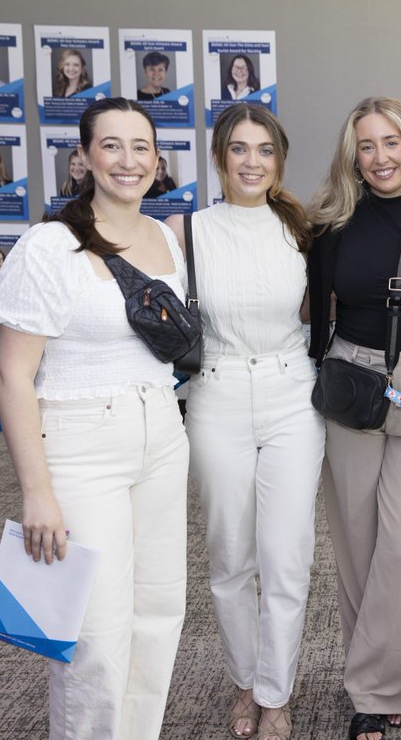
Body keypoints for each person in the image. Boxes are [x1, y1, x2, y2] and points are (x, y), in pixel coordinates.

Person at [0, 97, 190, 740]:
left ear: (158, 161)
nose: (128, 161)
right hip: (80, 445)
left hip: (162, 433)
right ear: (84, 157)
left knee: (157, 615)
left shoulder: (167, 238)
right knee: (95, 635)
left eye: (141, 147)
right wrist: (36, 491)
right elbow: (12, 374)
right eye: (112, 146)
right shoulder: (48, 245)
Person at [164, 104, 323, 740]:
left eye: (264, 150)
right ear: (219, 157)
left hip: (292, 395)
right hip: (216, 394)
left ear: (279, 160)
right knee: (229, 555)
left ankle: (276, 693)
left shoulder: (303, 229)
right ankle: (243, 683)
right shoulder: (186, 230)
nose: (251, 162)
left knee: (286, 555)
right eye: (238, 149)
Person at [307, 96, 401, 740]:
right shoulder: (331, 222)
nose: (380, 158)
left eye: (391, 143)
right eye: (366, 146)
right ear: (353, 155)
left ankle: (382, 687)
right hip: (352, 379)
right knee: (356, 539)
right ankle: (375, 679)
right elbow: (316, 313)